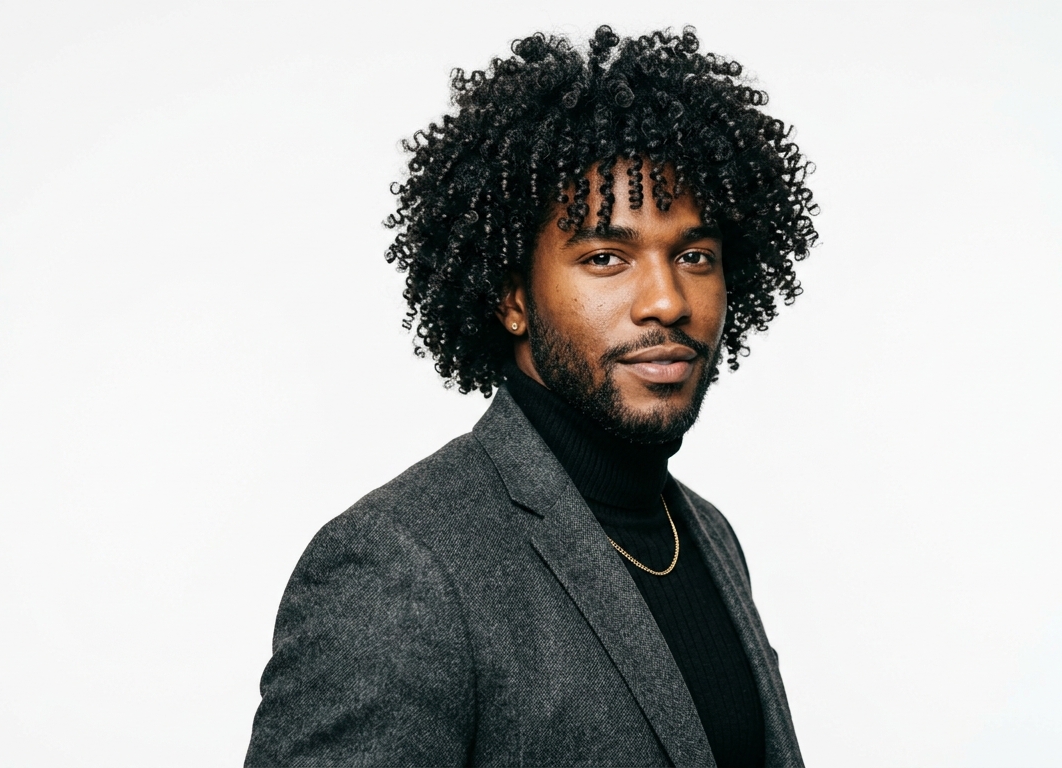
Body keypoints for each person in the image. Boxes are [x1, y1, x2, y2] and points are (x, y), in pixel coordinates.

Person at [245, 25, 818, 767]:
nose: (668, 301)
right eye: (606, 257)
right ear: (512, 297)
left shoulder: (706, 536)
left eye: (694, 256)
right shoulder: (400, 563)